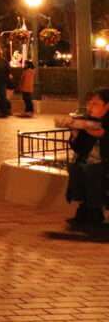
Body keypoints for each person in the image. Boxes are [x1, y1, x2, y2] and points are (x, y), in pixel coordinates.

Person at [58, 89, 109, 228]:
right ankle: (85, 207)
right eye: (89, 103)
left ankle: (94, 210)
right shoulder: (87, 121)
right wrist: (75, 133)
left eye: (96, 104)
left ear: (107, 106)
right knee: (76, 168)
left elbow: (101, 133)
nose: (90, 107)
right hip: (89, 161)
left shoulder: (100, 122)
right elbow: (77, 147)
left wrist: (84, 127)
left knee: (93, 170)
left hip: (104, 162)